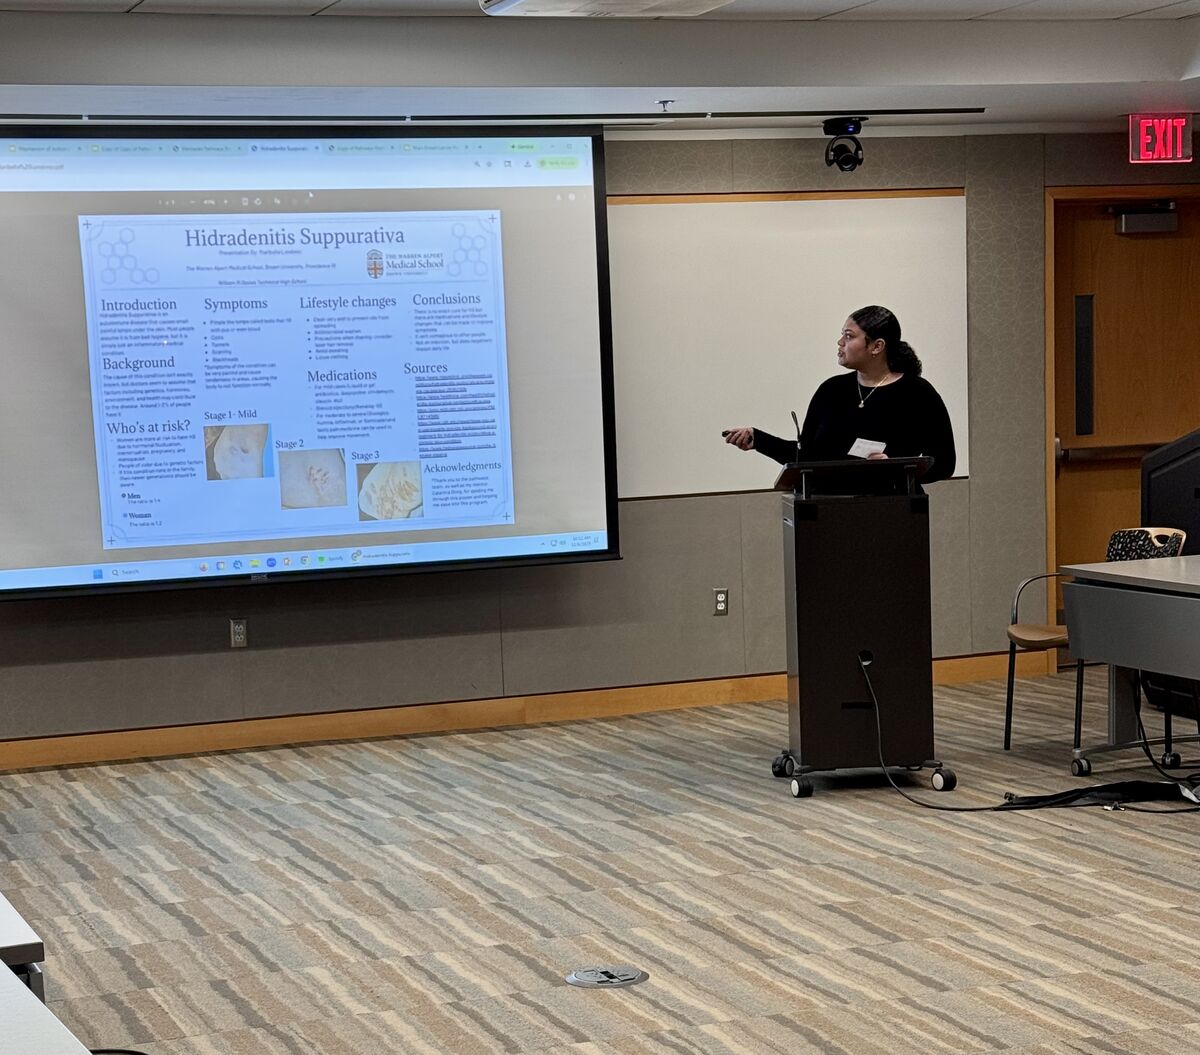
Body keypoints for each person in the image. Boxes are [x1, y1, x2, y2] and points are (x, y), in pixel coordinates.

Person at [723, 305, 956, 487]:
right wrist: (759, 440)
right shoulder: (831, 390)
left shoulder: (918, 393)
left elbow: (944, 464)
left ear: (877, 347)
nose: (840, 343)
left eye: (849, 336)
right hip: (826, 512)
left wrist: (898, 468)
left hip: (893, 510)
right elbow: (807, 457)